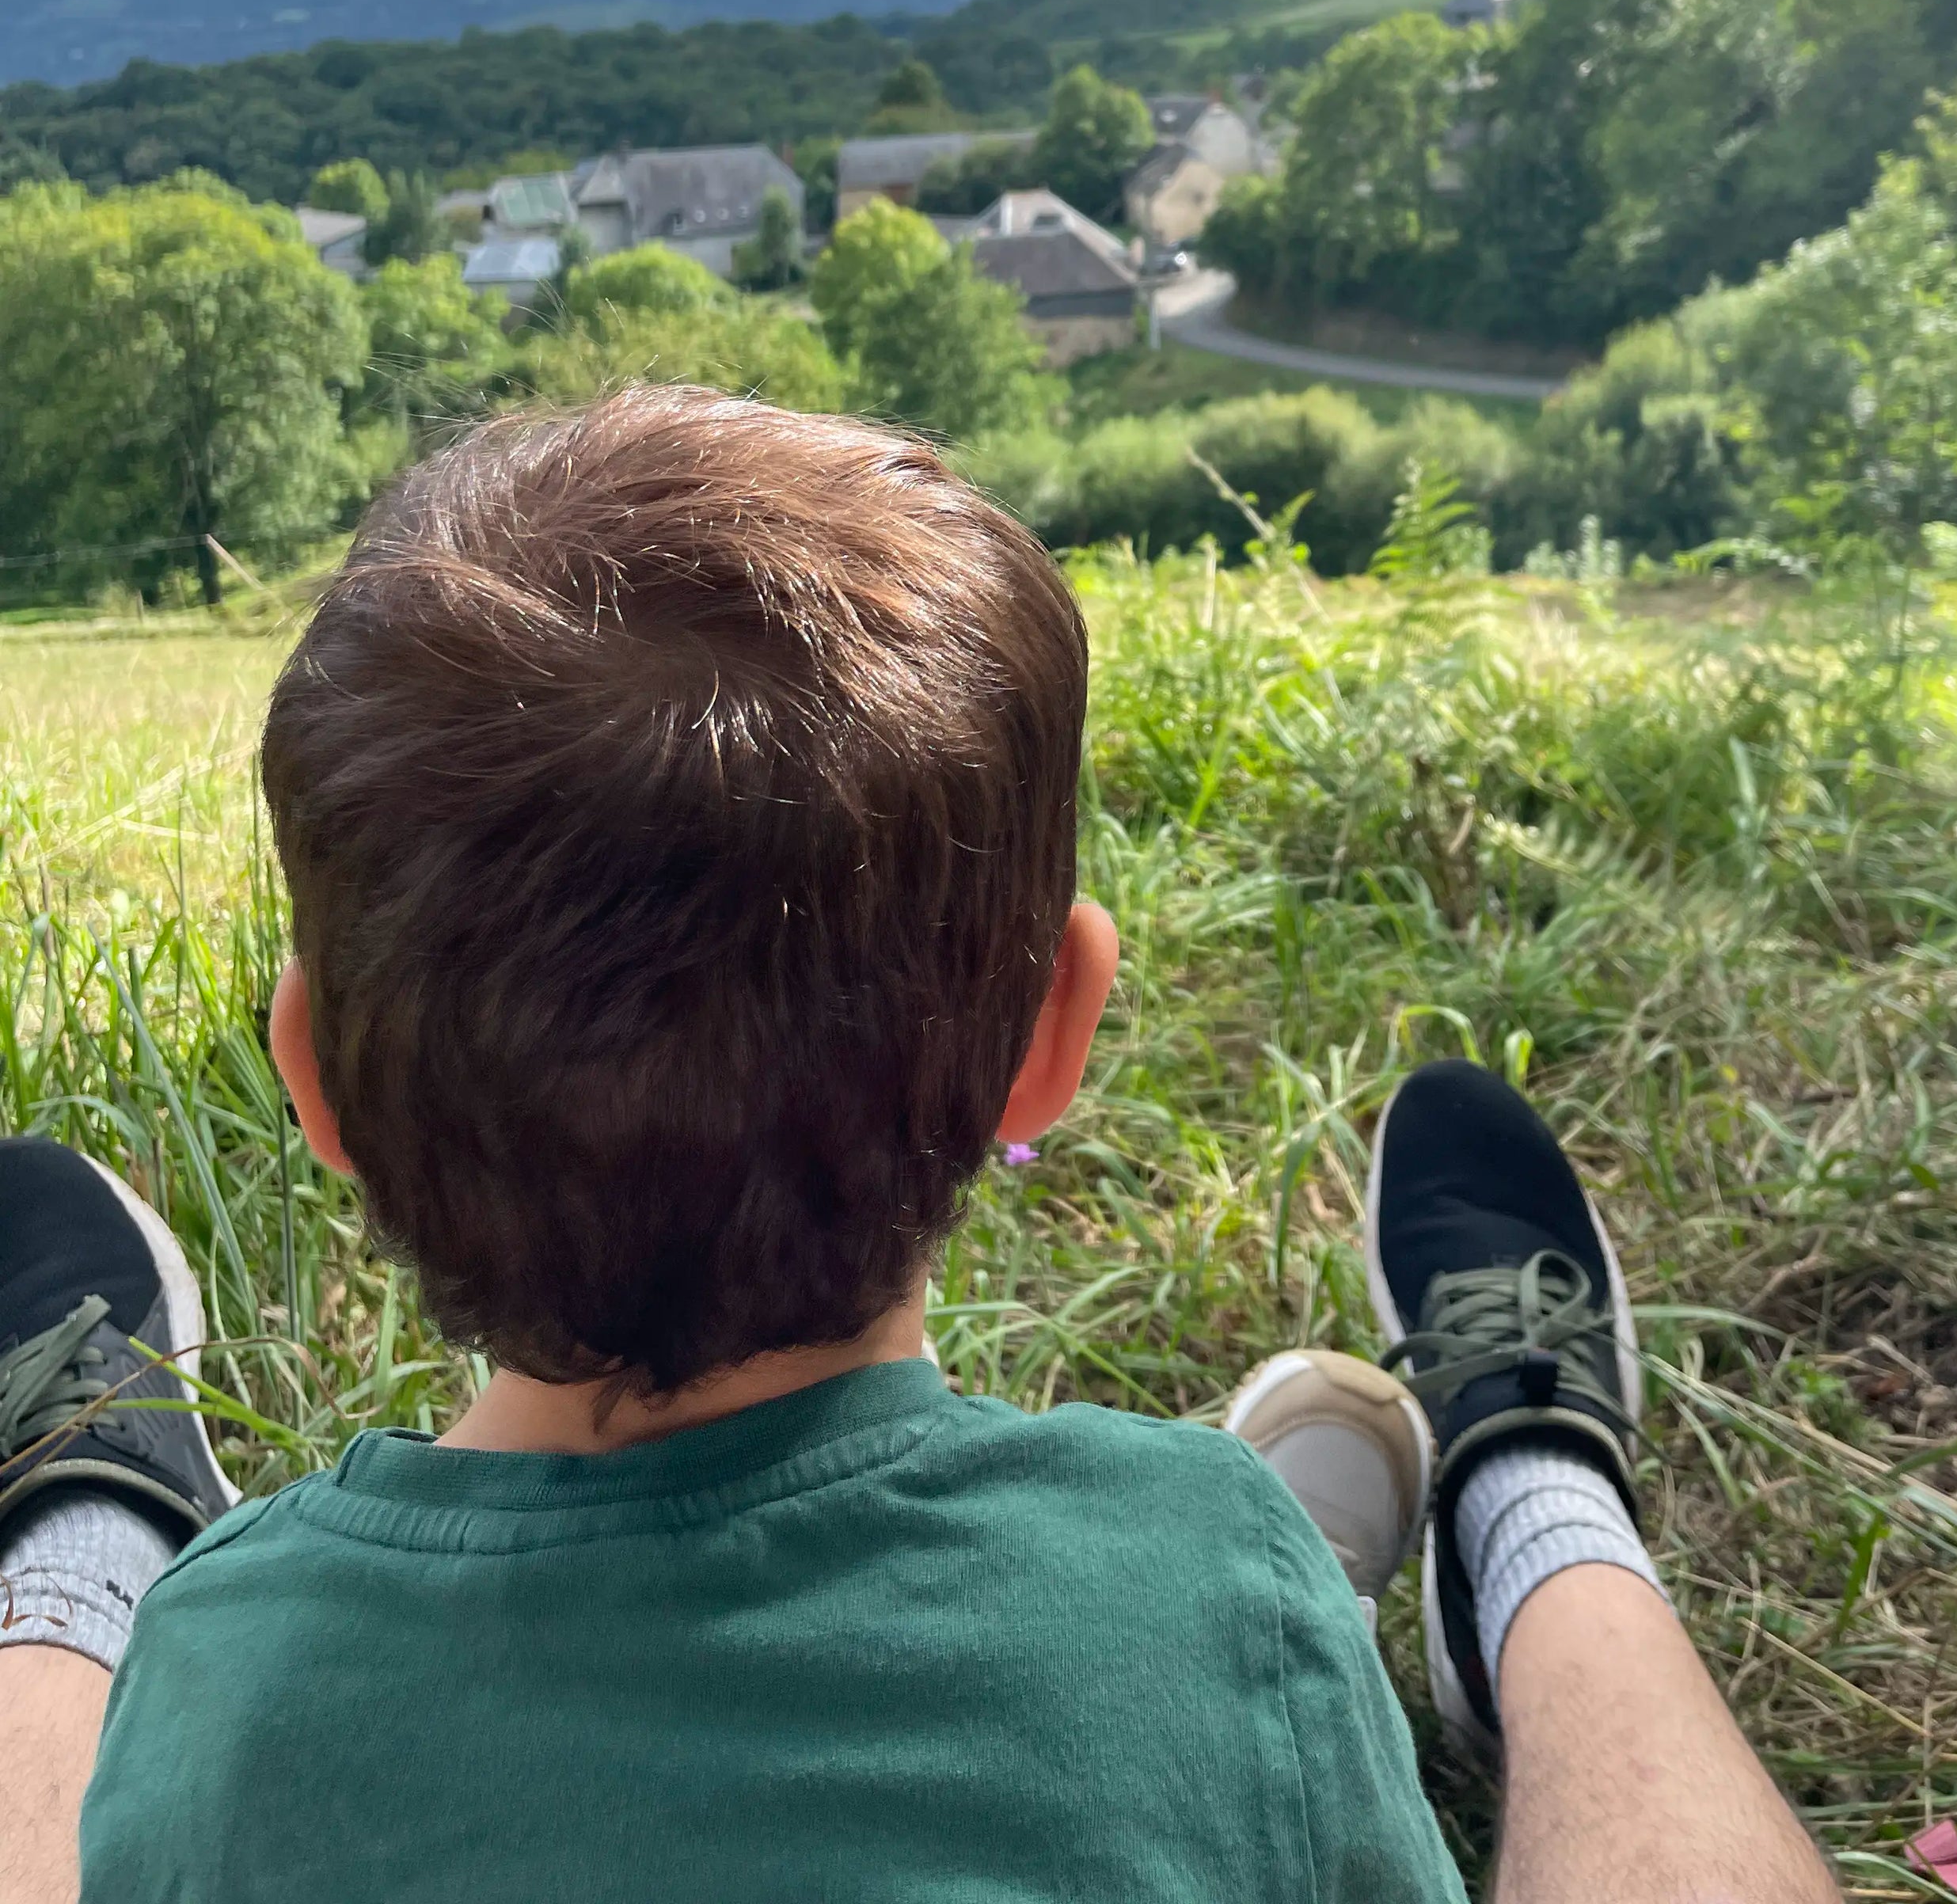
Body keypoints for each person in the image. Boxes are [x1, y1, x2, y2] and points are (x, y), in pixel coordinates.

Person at [0, 388, 1837, 1903]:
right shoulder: (1212, 1565)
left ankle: (80, 1554)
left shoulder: (219, 1677)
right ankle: (1531, 1504)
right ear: (1055, 1037)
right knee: (1227, 1634)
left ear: (311, 1082)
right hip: (1174, 1625)